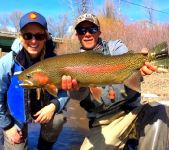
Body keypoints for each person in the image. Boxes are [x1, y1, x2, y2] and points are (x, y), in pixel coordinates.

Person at [61, 13, 169, 150]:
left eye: (92, 29)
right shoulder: (72, 64)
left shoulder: (115, 47)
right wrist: (77, 88)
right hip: (104, 122)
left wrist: (140, 66)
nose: (87, 34)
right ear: (77, 34)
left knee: (160, 110)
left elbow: (126, 60)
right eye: (82, 30)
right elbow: (79, 97)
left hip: (133, 111)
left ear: (99, 32)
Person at [0, 11, 68, 150]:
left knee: (58, 119)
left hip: (45, 110)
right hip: (16, 116)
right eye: (28, 35)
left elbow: (64, 93)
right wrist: (8, 127)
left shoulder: (55, 62)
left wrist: (54, 105)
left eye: (39, 36)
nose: (34, 41)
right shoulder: (5, 65)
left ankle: (44, 146)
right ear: (20, 36)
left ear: (46, 37)